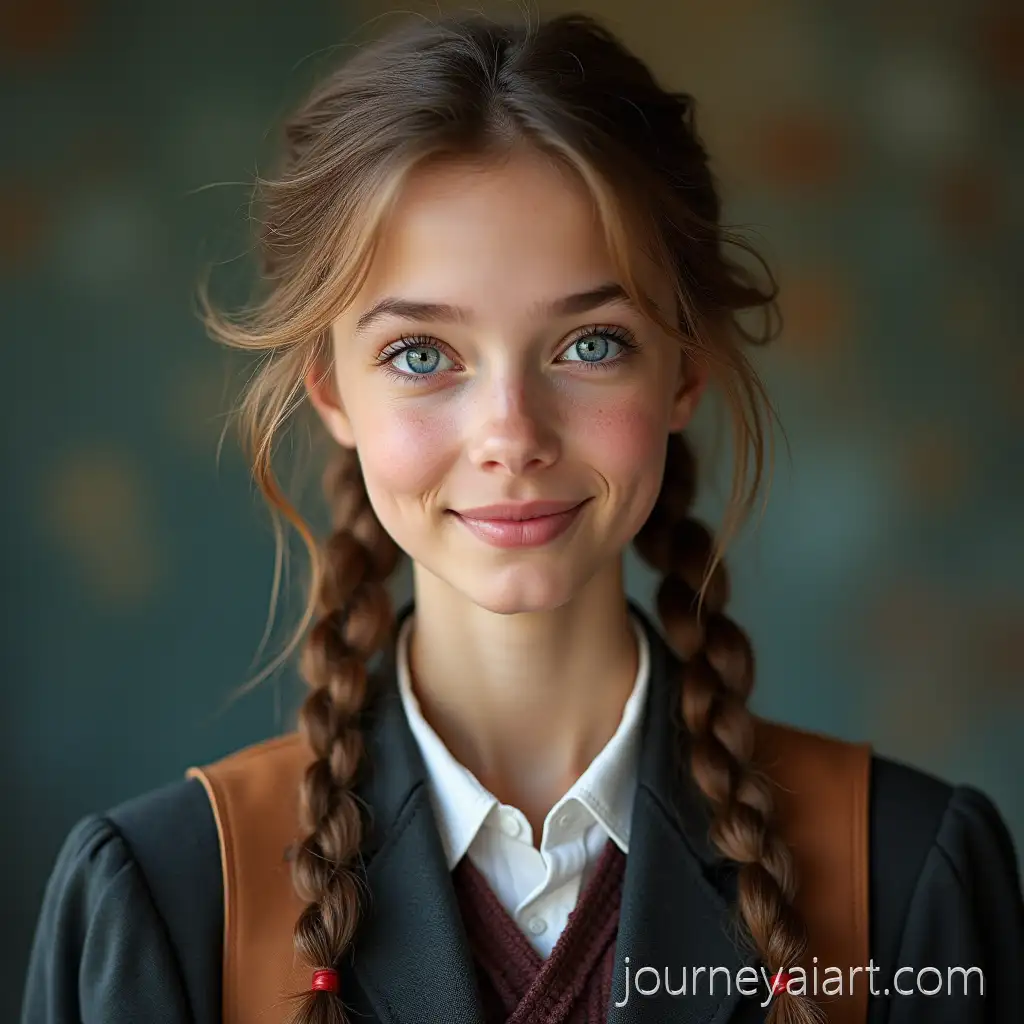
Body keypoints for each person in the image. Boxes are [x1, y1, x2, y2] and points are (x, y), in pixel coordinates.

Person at [21, 12, 1023, 1024]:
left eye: (590, 343)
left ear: (684, 369)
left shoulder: (903, 875)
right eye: (421, 354)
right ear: (330, 389)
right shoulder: (167, 901)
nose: (511, 435)